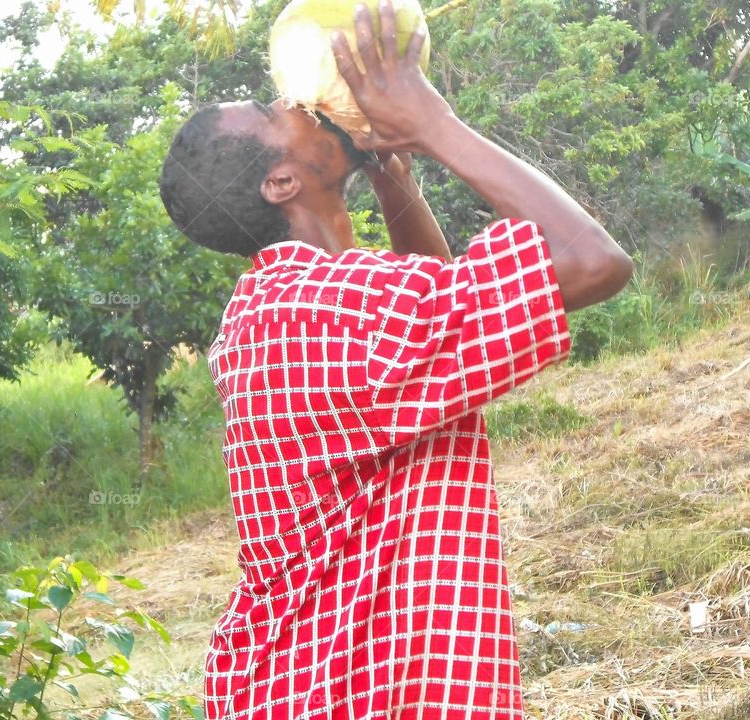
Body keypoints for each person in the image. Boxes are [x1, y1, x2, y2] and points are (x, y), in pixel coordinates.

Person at [159, 2, 633, 717]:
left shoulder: (286, 303)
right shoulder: (324, 311)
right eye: (271, 110)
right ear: (281, 182)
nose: (292, 99)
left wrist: (394, 177)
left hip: (309, 685)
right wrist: (433, 122)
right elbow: (593, 261)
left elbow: (439, 322)